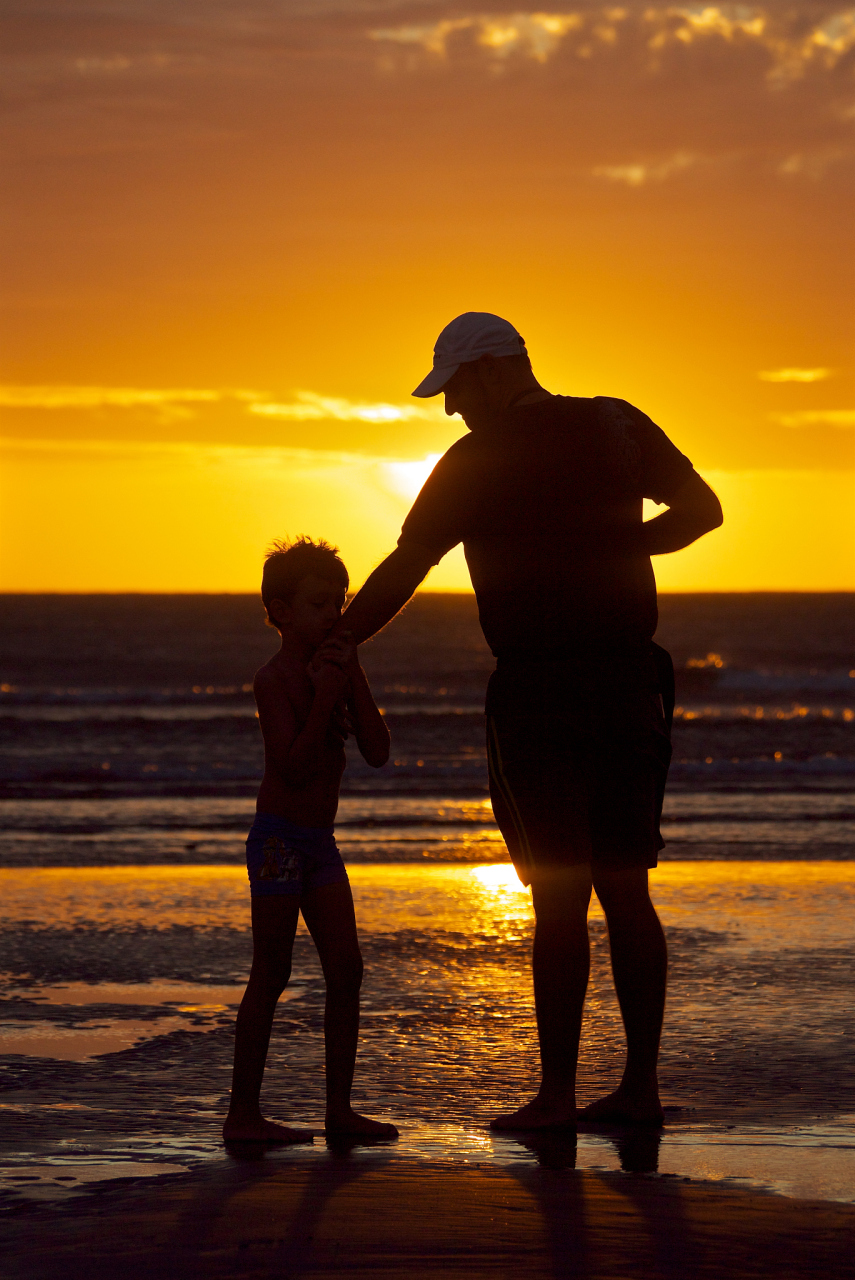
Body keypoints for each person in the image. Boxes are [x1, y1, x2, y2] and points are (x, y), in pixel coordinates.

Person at [331, 312, 723, 1129]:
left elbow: (405, 565)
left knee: (557, 895)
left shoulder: (474, 460)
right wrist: (618, 550)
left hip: (538, 691)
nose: (449, 410)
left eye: (453, 390)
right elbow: (702, 511)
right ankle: (638, 1091)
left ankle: (554, 1097)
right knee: (624, 887)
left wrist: (332, 642)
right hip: (626, 682)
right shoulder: (616, 422)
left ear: (491, 372)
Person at [222, 537, 399, 1143]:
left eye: (339, 602)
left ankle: (338, 1111)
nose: (334, 614)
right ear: (280, 609)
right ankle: (242, 1115)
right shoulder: (273, 680)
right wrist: (325, 698)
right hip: (278, 840)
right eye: (320, 603)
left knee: (346, 969)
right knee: (271, 973)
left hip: (320, 843)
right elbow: (293, 764)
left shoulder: (339, 668)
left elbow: (377, 751)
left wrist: (352, 676)